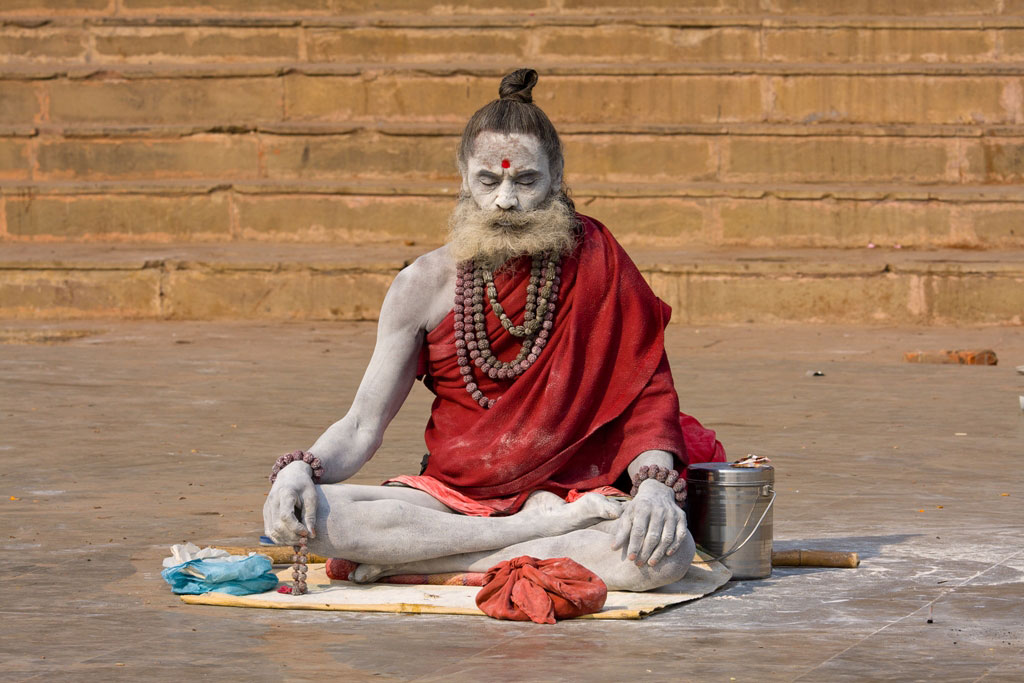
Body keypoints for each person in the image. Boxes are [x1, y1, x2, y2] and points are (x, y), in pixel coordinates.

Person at [263, 68, 725, 591]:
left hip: (575, 494)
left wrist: (655, 492)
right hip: (453, 498)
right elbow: (362, 426)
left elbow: (647, 406)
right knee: (313, 515)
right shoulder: (422, 285)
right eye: (489, 180)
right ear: (464, 177)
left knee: (667, 553)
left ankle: (425, 559)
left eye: (525, 180)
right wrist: (301, 469)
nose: (505, 200)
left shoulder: (601, 262)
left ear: (556, 176)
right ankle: (523, 539)